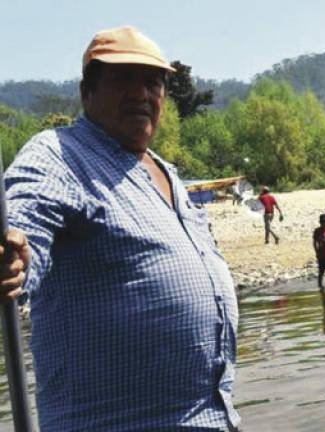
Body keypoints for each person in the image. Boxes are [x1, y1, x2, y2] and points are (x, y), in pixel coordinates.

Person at [0, 27, 240, 430]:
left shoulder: (167, 172)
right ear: (87, 92)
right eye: (123, 79)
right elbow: (26, 223)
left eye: (153, 82)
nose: (141, 93)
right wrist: (18, 259)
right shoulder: (59, 155)